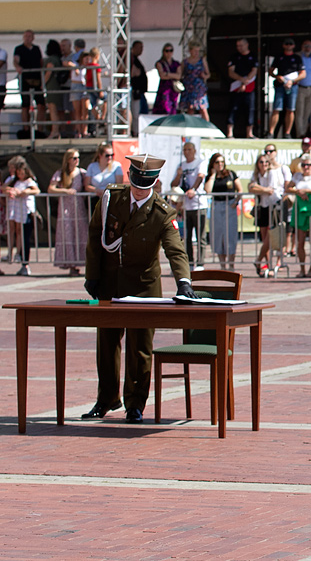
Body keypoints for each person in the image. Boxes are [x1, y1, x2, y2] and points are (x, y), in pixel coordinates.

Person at [82, 154, 194, 423]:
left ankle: (135, 404)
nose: (138, 189)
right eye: (135, 183)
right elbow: (95, 236)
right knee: (106, 344)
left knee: (140, 348)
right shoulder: (112, 199)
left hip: (143, 287)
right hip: (110, 284)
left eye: (144, 185)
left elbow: (175, 250)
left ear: (155, 183)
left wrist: (184, 282)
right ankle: (106, 398)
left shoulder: (163, 212)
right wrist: (92, 275)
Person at [49, 148, 87, 277]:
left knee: (80, 233)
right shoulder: (60, 173)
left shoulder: (81, 173)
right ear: (68, 160)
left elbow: (88, 185)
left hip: (78, 207)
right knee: (67, 234)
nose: (77, 161)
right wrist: (65, 191)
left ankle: (81, 262)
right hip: (65, 207)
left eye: (78, 158)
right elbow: (51, 189)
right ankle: (71, 264)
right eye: (74, 158)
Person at [287, 153, 311, 278]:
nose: (306, 167)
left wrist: (306, 191)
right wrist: (298, 191)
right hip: (300, 207)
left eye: (308, 165)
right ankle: (302, 268)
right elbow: (288, 188)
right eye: (304, 165)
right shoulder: (297, 176)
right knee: (300, 240)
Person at [171, 141, 208, 269]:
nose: (187, 152)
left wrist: (193, 190)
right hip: (186, 206)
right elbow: (174, 184)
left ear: (194, 151)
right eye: (185, 150)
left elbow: (200, 177)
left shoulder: (200, 162)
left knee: (200, 236)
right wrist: (178, 174)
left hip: (199, 204)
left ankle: (200, 262)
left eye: (189, 149)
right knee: (186, 237)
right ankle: (190, 262)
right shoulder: (181, 165)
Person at [248, 152, 283, 277]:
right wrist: (262, 189)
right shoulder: (257, 175)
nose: (264, 165)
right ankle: (267, 264)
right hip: (262, 207)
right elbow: (250, 187)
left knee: (270, 237)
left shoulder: (272, 173)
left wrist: (258, 188)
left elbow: (271, 190)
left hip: (273, 206)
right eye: (261, 162)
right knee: (264, 238)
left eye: (266, 162)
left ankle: (259, 260)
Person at [205, 153, 242, 271]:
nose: (220, 164)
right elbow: (208, 190)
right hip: (216, 206)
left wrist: (236, 201)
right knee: (218, 235)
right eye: (217, 162)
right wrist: (213, 175)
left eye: (222, 162)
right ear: (212, 164)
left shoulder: (231, 174)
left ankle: (231, 265)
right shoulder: (211, 177)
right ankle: (222, 265)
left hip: (229, 206)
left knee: (230, 235)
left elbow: (240, 189)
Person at [3, 159, 39, 275]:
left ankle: (24, 262)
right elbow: (3, 187)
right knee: (15, 231)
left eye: (21, 172)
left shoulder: (30, 181)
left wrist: (25, 192)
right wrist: (10, 190)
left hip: (26, 213)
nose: (20, 174)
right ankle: (17, 257)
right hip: (15, 213)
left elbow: (36, 190)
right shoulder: (14, 181)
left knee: (24, 237)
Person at [268, 38, 305, 139]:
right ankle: (271, 132)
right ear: (284, 45)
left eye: (290, 44)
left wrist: (292, 81)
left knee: (290, 109)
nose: (288, 46)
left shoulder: (297, 58)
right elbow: (270, 71)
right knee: (276, 108)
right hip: (280, 85)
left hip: (292, 86)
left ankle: (287, 132)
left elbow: (303, 74)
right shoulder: (279, 57)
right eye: (286, 44)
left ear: (293, 46)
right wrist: (277, 77)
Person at [226, 38, 257, 138]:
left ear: (246, 45)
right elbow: (231, 72)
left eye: (241, 45)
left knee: (250, 109)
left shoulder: (253, 56)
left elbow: (254, 71)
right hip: (236, 86)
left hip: (249, 86)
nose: (239, 48)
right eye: (237, 46)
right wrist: (241, 80)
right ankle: (230, 132)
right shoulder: (234, 57)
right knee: (233, 109)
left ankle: (249, 133)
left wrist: (246, 81)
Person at [13, 30, 44, 129]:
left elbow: (41, 62)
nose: (27, 38)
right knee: (25, 105)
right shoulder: (19, 49)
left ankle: (40, 129)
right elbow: (15, 60)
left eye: (29, 36)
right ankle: (26, 129)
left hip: (37, 79)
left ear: (33, 38)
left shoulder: (36, 49)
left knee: (41, 104)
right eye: (26, 36)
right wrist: (17, 67)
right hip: (25, 79)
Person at [178, 41, 210, 121]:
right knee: (190, 109)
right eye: (195, 51)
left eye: (198, 51)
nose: (197, 53)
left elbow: (208, 74)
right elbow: (180, 74)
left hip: (199, 87)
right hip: (189, 87)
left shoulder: (202, 60)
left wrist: (204, 76)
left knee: (203, 109)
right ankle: (189, 128)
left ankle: (207, 129)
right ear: (190, 51)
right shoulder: (185, 62)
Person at [295, 39, 311, 138]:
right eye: (306, 46)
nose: (307, 48)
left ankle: (304, 132)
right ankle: (300, 133)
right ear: (302, 46)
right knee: (299, 112)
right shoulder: (297, 57)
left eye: (310, 46)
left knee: (307, 113)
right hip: (300, 88)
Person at [152, 43, 181, 115]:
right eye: (167, 51)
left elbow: (179, 76)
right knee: (164, 107)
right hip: (164, 88)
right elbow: (162, 75)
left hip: (173, 89)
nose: (169, 53)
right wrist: (173, 75)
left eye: (171, 50)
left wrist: (167, 74)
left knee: (173, 108)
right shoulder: (160, 63)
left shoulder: (176, 63)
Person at [129, 40, 147, 134]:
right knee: (136, 113)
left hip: (141, 91)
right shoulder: (131, 59)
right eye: (140, 47)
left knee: (142, 113)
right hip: (136, 91)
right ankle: (135, 131)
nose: (141, 50)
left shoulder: (135, 59)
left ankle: (138, 130)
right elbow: (133, 72)